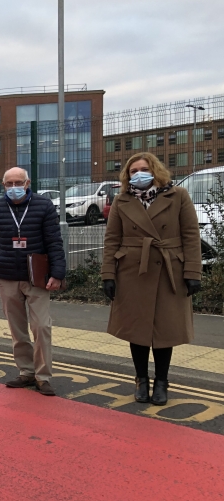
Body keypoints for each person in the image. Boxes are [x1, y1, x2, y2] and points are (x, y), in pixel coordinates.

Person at [101, 152, 202, 406]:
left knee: (165, 330)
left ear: (155, 170)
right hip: (132, 271)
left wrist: (192, 272)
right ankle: (141, 380)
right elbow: (111, 239)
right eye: (133, 171)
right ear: (127, 176)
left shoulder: (178, 196)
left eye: (143, 169)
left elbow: (191, 235)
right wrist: (108, 275)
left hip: (169, 271)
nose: (138, 174)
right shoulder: (122, 200)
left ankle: (162, 381)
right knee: (137, 330)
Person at [0, 167, 65, 396]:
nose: (14, 188)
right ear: (3, 184)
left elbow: (54, 242)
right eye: (9, 184)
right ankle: (26, 372)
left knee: (41, 327)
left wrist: (57, 274)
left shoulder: (44, 206)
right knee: (17, 330)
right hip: (7, 276)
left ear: (28, 183)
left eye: (19, 183)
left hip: (36, 277)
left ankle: (43, 376)